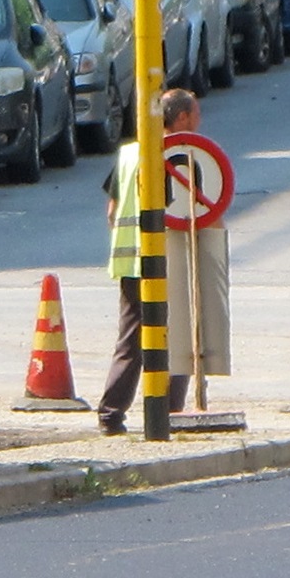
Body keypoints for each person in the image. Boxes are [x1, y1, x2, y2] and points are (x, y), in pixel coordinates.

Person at [97, 88, 198, 435]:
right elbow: (192, 210)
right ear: (181, 117)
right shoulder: (179, 155)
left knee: (131, 340)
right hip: (166, 260)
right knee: (178, 332)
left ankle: (111, 414)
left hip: (130, 263)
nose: (198, 121)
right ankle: (169, 410)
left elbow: (112, 211)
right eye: (195, 113)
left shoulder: (128, 154)